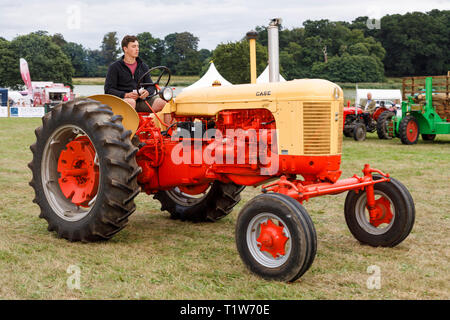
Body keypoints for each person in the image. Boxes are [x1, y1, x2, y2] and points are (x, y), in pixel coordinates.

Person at [104, 35, 166, 113]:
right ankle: (129, 125)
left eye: (137, 46)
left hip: (141, 101)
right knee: (131, 102)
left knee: (164, 102)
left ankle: (168, 125)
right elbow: (108, 90)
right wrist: (126, 95)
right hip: (123, 100)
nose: (137, 49)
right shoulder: (114, 67)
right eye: (133, 46)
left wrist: (147, 92)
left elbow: (151, 86)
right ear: (125, 49)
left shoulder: (143, 66)